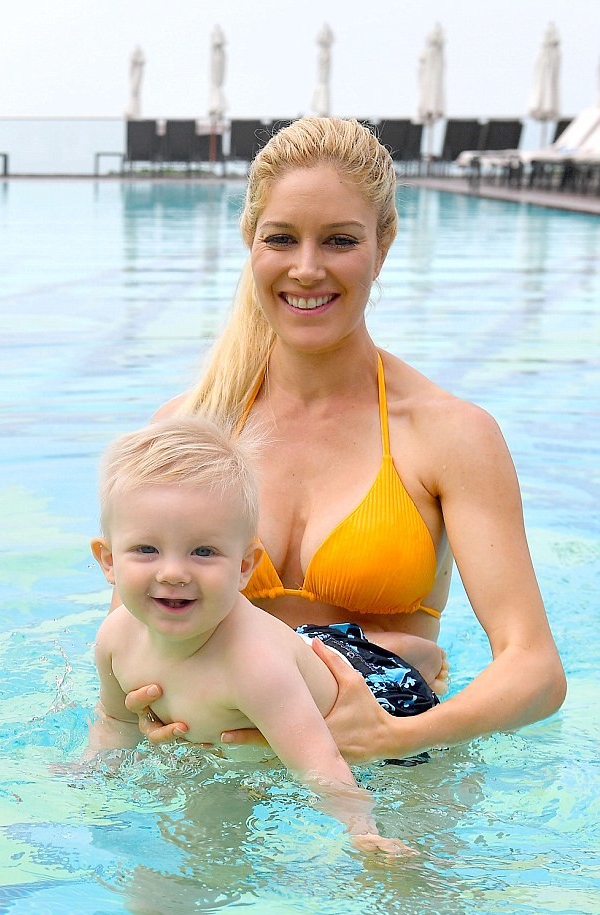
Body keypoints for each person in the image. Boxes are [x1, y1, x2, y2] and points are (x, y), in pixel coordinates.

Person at [123, 117, 566, 764]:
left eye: (339, 240)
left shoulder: (448, 434)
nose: (307, 269)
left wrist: (394, 736)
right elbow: (130, 625)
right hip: (215, 756)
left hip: (390, 763)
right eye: (281, 238)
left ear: (383, 246)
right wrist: (145, 704)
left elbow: (536, 671)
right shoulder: (191, 428)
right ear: (251, 241)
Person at [87, 415, 437, 855]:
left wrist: (361, 830)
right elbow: (116, 720)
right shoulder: (115, 639)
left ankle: (405, 655)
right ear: (108, 560)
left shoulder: (254, 666)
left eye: (203, 551)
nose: (173, 572)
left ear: (245, 566)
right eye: (146, 549)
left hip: (381, 695)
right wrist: (91, 773)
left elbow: (321, 762)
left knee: (385, 688)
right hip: (302, 649)